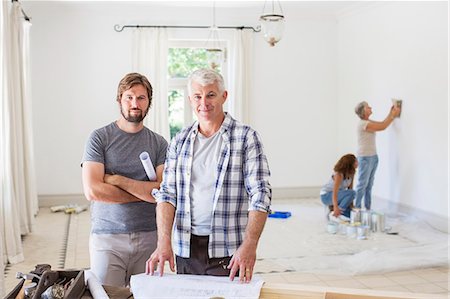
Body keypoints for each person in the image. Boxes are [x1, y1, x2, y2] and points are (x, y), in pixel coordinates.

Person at [146, 68, 272, 283]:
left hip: (229, 248)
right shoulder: (180, 140)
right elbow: (167, 194)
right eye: (197, 96)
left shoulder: (246, 137)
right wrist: (163, 241)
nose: (203, 103)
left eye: (211, 95)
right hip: (186, 247)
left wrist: (250, 245)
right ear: (190, 100)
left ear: (224, 96)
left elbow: (260, 194)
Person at [81, 73, 168, 287]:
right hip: (107, 238)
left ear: (149, 102)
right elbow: (93, 191)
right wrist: (145, 194)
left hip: (149, 237)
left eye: (141, 98)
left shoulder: (159, 143)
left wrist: (118, 180)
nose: (135, 103)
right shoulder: (99, 138)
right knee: (107, 295)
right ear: (119, 99)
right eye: (129, 97)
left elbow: (162, 192)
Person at [354, 101, 401, 210]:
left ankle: (367, 208)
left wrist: (390, 113)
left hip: (373, 157)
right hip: (365, 157)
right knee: (362, 185)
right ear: (363, 111)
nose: (370, 107)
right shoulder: (363, 124)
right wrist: (393, 115)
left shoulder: (367, 121)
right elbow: (383, 127)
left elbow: (382, 123)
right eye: (367, 107)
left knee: (369, 185)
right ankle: (356, 209)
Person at [320, 154, 358, 219]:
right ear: (350, 164)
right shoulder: (339, 175)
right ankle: (335, 211)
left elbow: (350, 188)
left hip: (339, 195)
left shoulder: (351, 173)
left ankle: (335, 210)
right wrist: (336, 207)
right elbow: (335, 192)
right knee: (353, 192)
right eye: (356, 161)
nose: (357, 163)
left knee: (351, 215)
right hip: (326, 196)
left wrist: (351, 206)